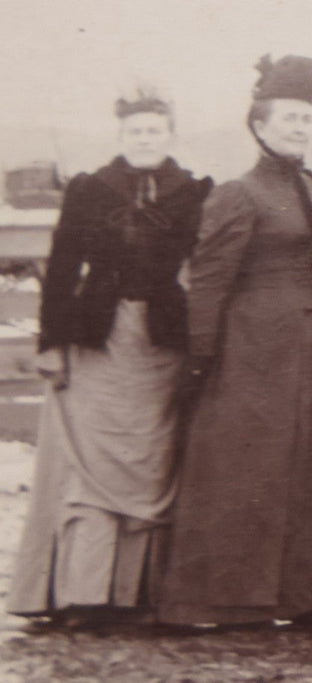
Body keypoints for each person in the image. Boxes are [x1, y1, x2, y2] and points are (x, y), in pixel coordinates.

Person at [160, 55, 312, 626]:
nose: (299, 127)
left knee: (310, 465)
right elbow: (209, 279)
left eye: (306, 118)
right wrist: (201, 356)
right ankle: (234, 598)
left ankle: (306, 594)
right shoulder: (238, 193)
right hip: (255, 347)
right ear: (259, 125)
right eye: (289, 118)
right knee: (254, 467)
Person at [8, 84, 212, 626]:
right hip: (99, 340)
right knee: (91, 464)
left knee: (152, 464)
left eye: (155, 130)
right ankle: (84, 596)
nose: (145, 139)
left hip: (161, 345)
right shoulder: (90, 189)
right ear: (121, 135)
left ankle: (135, 595)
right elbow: (61, 266)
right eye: (135, 131)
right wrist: (50, 344)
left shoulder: (194, 192)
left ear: (171, 135)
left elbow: (205, 269)